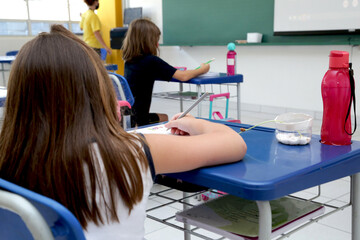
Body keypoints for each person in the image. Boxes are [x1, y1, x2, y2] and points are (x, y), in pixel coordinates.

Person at [0, 25, 247, 240]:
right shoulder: (132, 150)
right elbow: (234, 143)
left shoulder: (9, 157)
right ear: (98, 91)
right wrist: (194, 124)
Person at [122, 18, 210, 127]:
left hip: (126, 116)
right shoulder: (152, 61)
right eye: (155, 39)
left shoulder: (129, 61)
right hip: (139, 120)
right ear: (148, 41)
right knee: (165, 118)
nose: (157, 44)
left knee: (163, 117)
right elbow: (183, 76)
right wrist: (202, 69)